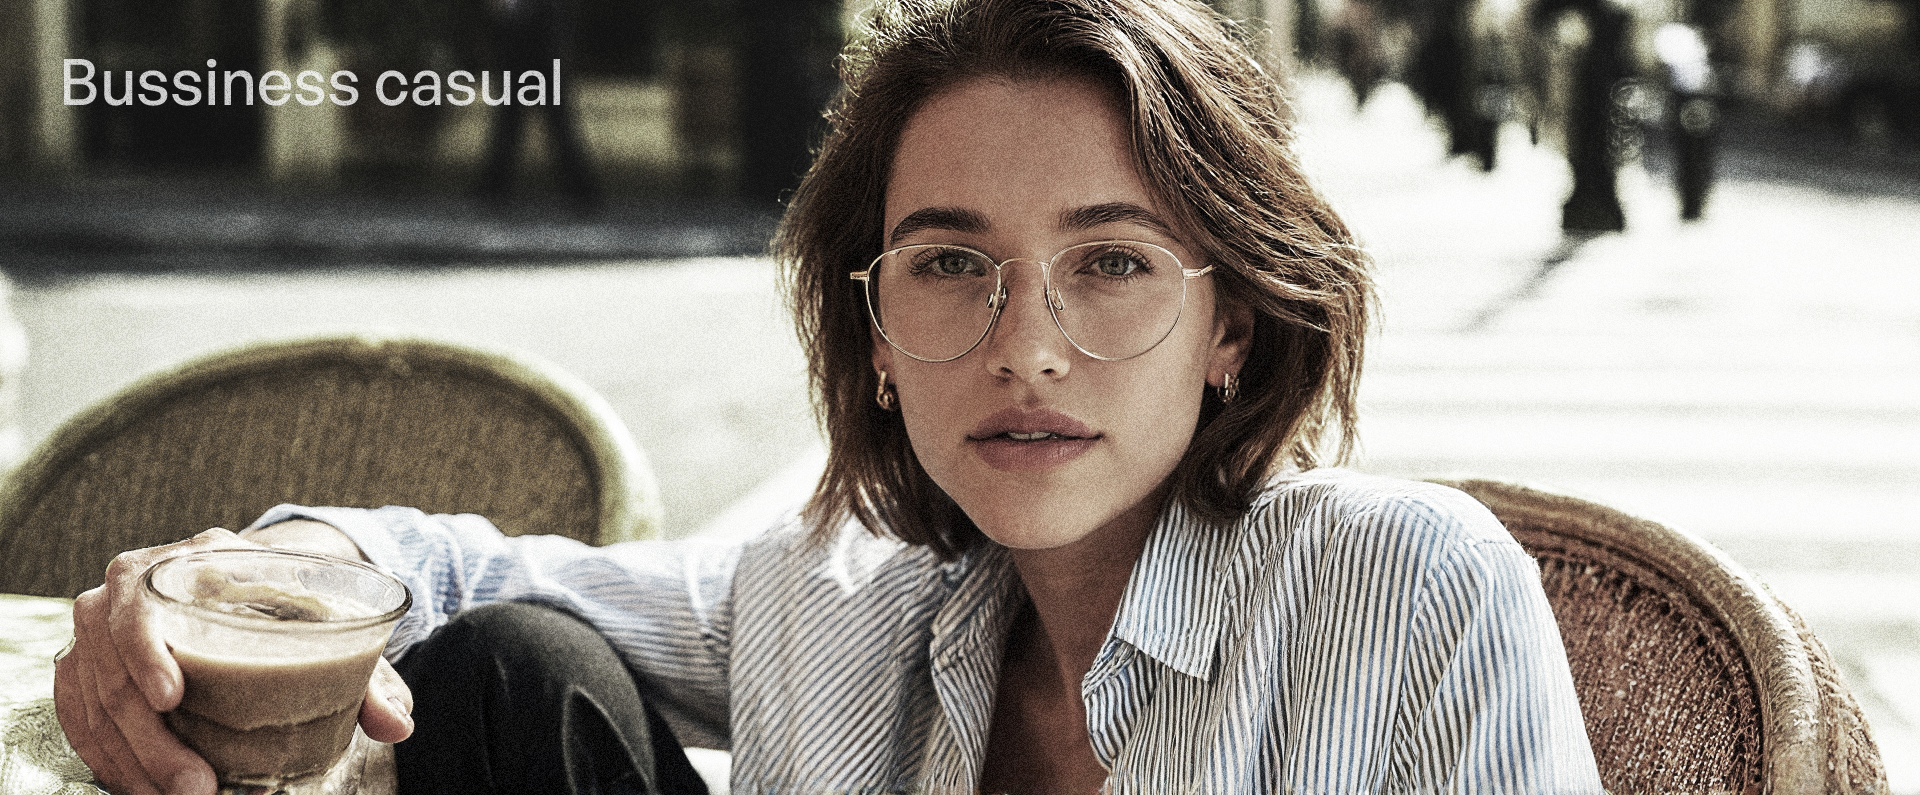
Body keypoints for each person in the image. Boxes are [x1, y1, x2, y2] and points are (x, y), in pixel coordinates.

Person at [53, 0, 1606, 793]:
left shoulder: (1410, 593)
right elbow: (440, 576)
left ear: (1237, 331)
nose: (1025, 345)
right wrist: (186, 600)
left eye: (1114, 264)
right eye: (948, 264)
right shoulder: (838, 593)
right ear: (871, 332)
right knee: (514, 668)